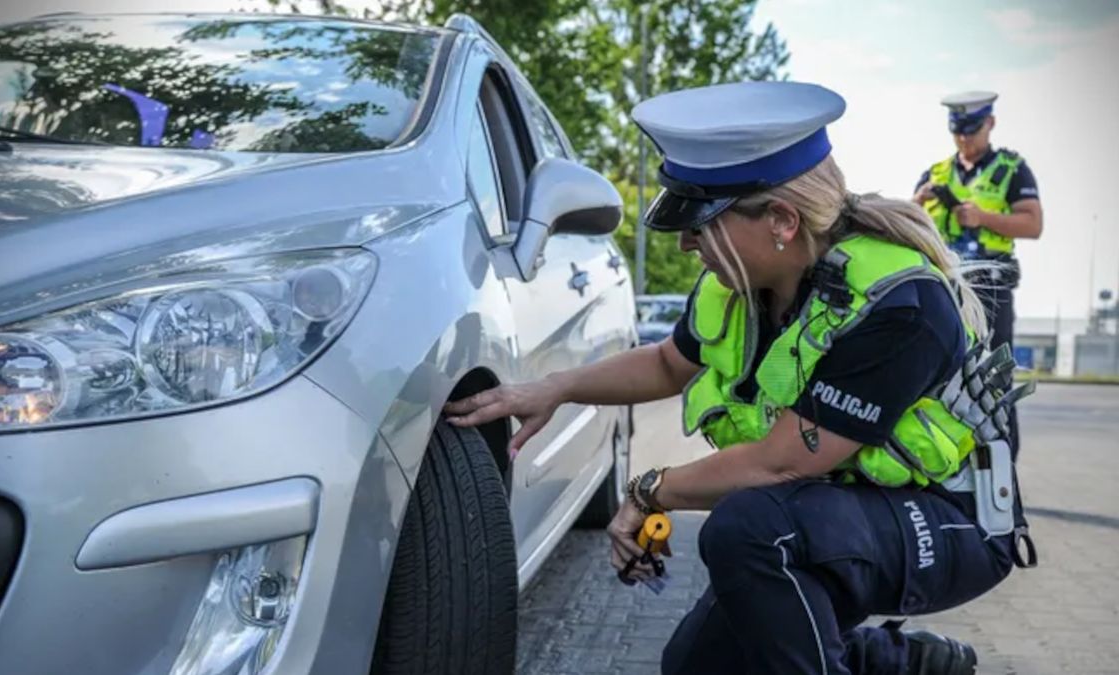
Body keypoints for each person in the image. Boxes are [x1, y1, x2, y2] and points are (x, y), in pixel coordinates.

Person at [445, 81, 1034, 674]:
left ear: (781, 219)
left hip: (949, 522)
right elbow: (667, 364)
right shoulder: (739, 284)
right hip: (840, 508)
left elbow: (782, 463)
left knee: (749, 531)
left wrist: (649, 490)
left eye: (702, 224)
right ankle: (899, 664)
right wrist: (556, 388)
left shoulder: (899, 304)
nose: (686, 243)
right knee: (694, 666)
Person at [912, 91, 1043, 358]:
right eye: (958, 131)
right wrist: (916, 202)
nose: (964, 138)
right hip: (944, 282)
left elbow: (1033, 223)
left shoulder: (1011, 169)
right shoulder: (937, 173)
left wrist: (983, 218)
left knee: (991, 367)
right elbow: (907, 224)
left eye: (972, 131)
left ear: (990, 123)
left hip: (989, 287)